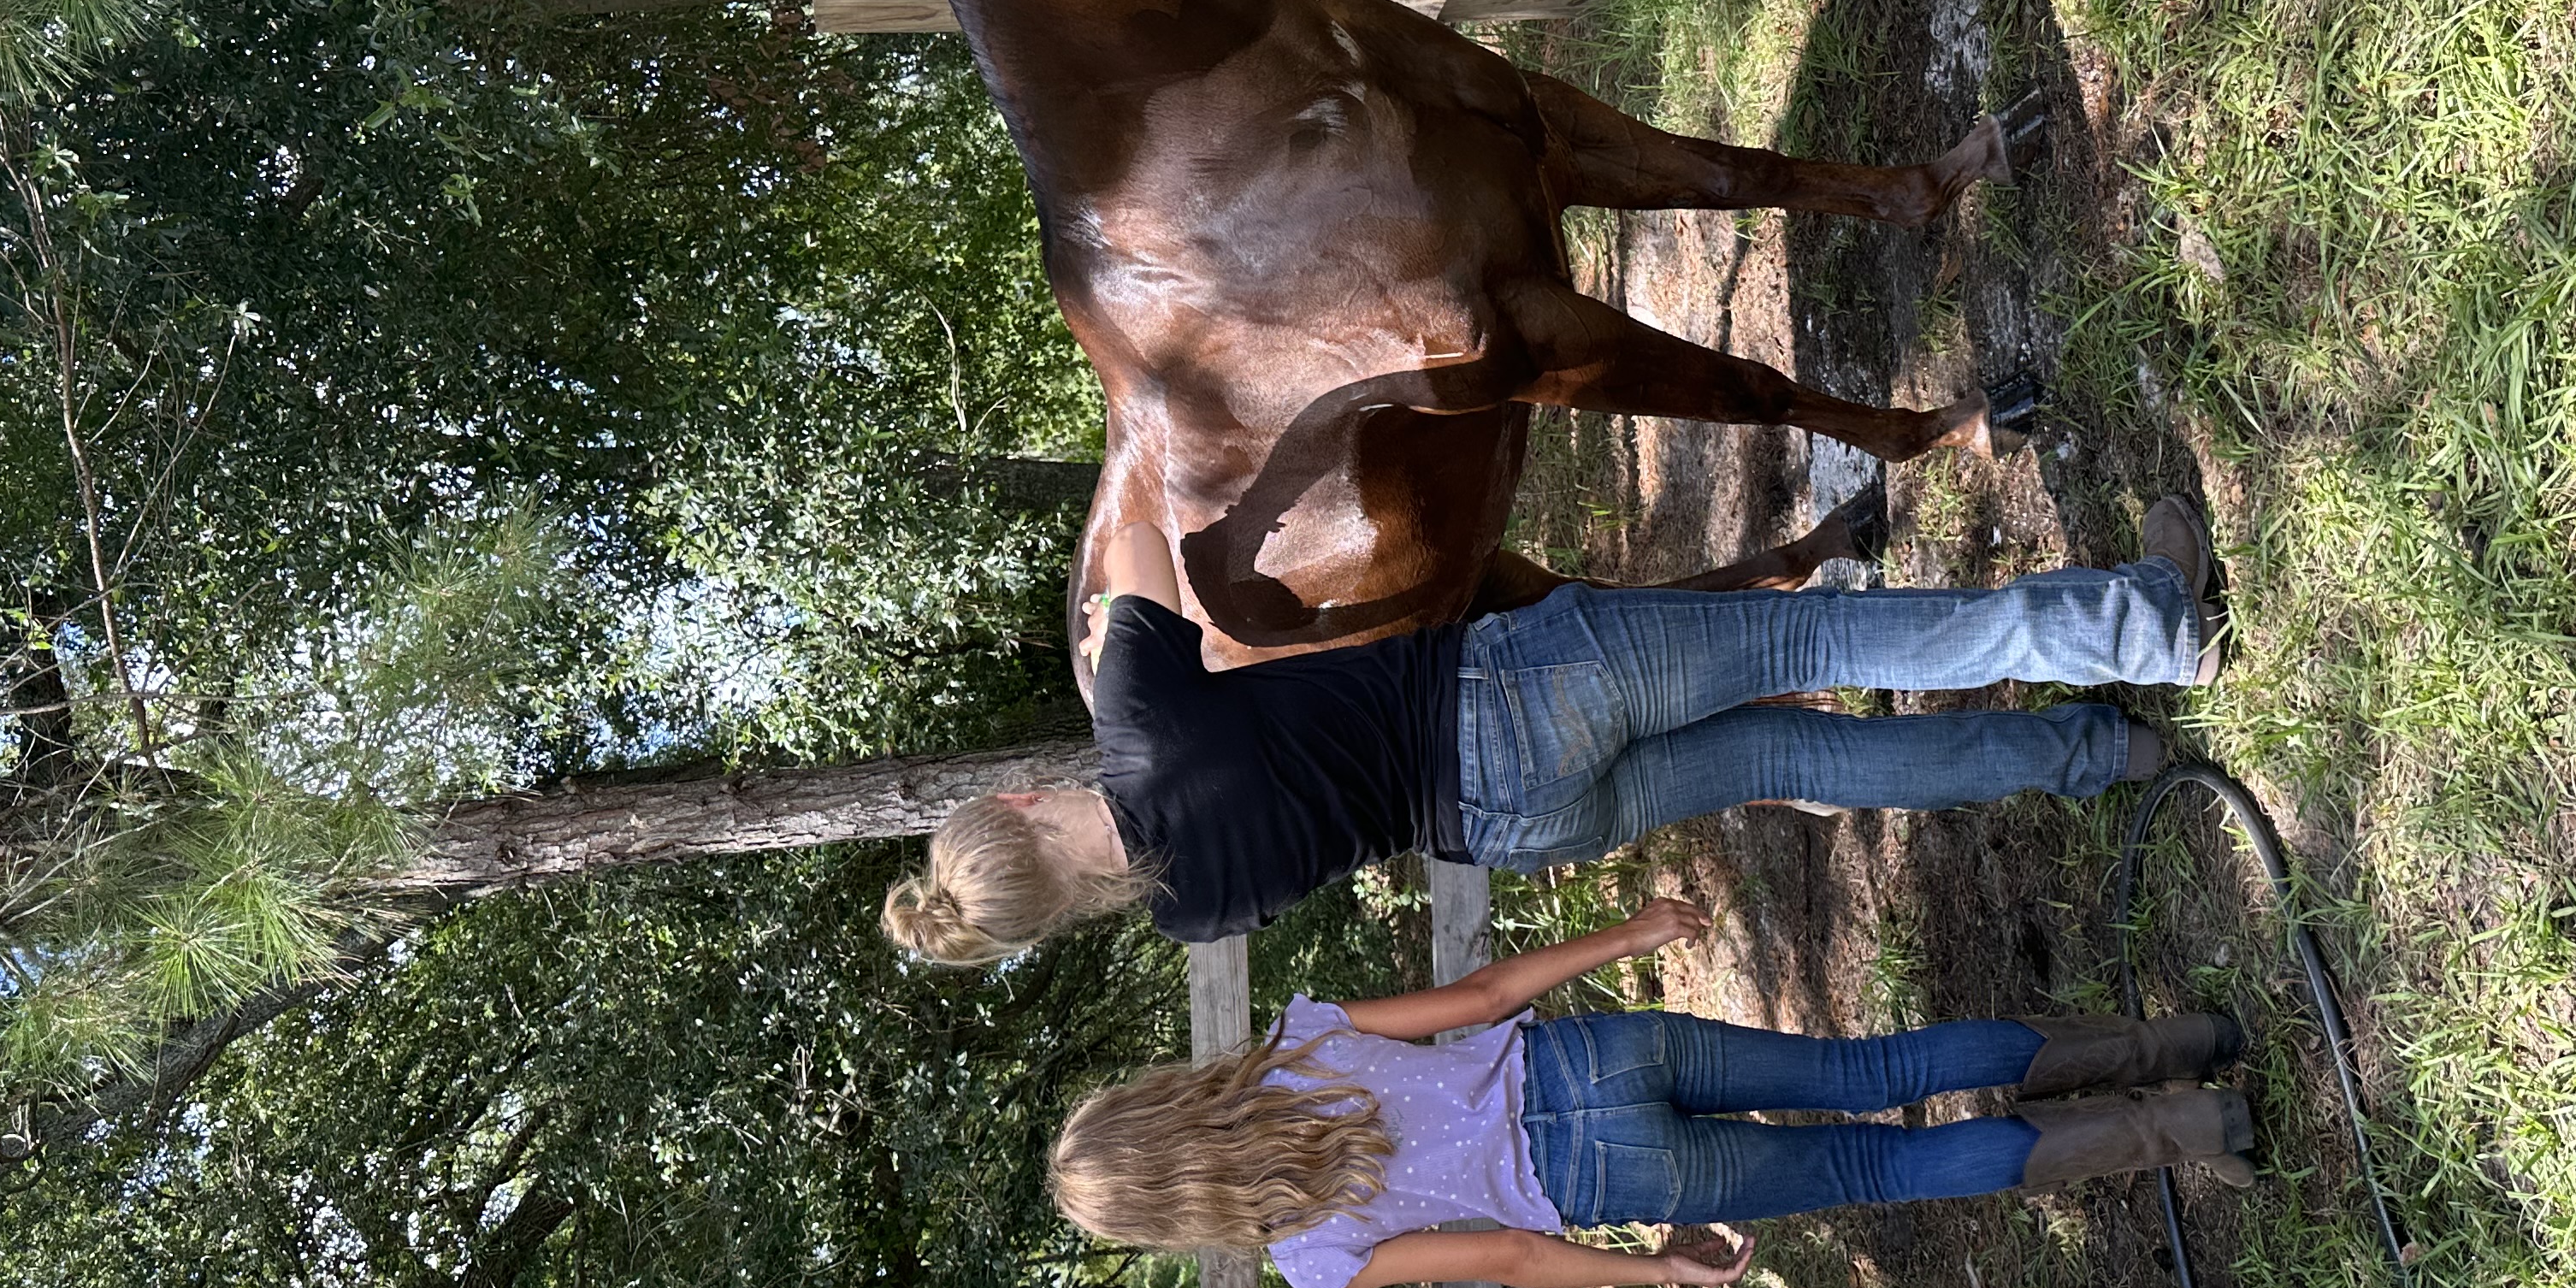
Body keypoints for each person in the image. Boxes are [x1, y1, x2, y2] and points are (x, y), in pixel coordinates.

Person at [882, 501, 2225, 965]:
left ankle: (2097, 754)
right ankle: (2152, 626)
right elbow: (1135, 540)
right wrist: (1103, 617)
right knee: (1817, 644)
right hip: (1506, 697)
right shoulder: (1134, 722)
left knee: (1798, 758)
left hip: (1505, 830)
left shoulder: (1189, 915)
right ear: (1010, 815)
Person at [1043, 894, 2254, 1288]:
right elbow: (1477, 997)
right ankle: (2179, 1038)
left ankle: (2187, 1126)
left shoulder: (1313, 1255)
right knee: (1867, 1073)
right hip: (1595, 1063)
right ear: (1158, 1104)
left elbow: (1513, 1255)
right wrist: (1631, 931)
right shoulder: (1295, 1047)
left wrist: (1658, 1276)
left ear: (1173, 1215)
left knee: (1873, 1171)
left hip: (1613, 1182)